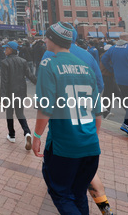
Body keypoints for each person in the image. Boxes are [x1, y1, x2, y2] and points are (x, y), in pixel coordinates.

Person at [32, 22, 102, 214]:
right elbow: (98, 112)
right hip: (90, 145)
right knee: (78, 193)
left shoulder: (49, 64)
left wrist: (36, 136)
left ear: (53, 40)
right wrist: (92, 136)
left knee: (61, 194)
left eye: (47, 37)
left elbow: (45, 108)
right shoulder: (85, 67)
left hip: (64, 146)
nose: (44, 40)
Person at [0, 41, 36, 148]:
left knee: (9, 114)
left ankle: (12, 135)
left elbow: (4, 82)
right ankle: (27, 133)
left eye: (7, 48)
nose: (5, 50)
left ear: (12, 50)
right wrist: (40, 82)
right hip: (20, 92)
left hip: (9, 93)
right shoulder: (23, 61)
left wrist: (2, 97)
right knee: (20, 114)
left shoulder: (4, 63)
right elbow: (30, 76)